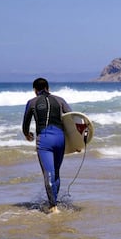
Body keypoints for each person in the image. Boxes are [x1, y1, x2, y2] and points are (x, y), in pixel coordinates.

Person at [22, 78, 72, 213]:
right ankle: (55, 201)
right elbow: (72, 119)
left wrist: (27, 135)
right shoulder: (60, 100)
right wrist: (76, 142)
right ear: (48, 88)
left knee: (48, 173)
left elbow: (25, 124)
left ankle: (53, 207)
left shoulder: (32, 102)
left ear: (35, 90)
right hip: (60, 139)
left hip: (44, 141)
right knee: (56, 173)